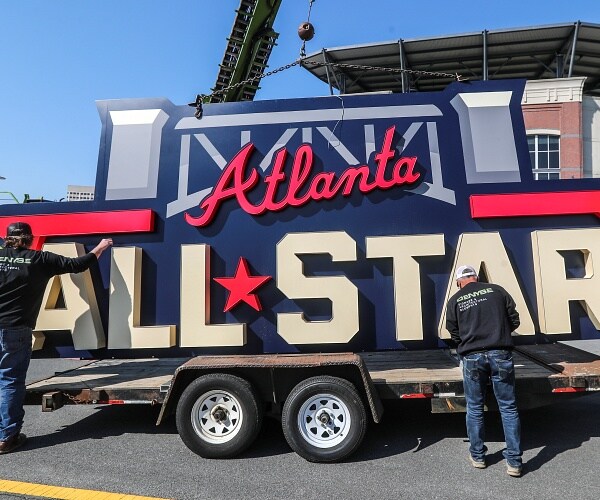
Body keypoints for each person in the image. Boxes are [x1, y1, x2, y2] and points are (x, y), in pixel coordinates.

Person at [0, 221, 112, 454]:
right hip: (15, 329)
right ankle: (6, 437)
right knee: (10, 381)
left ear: (6, 238)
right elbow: (78, 264)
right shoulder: (40, 260)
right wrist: (100, 247)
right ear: (30, 239)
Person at [446, 264, 523, 477]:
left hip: (472, 357)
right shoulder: (497, 290)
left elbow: (453, 331)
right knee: (508, 408)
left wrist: (469, 342)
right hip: (500, 353)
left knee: (475, 407)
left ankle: (478, 456)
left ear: (459, 282)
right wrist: (497, 333)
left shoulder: (456, 300)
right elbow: (514, 320)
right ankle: (514, 463)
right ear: (476, 277)